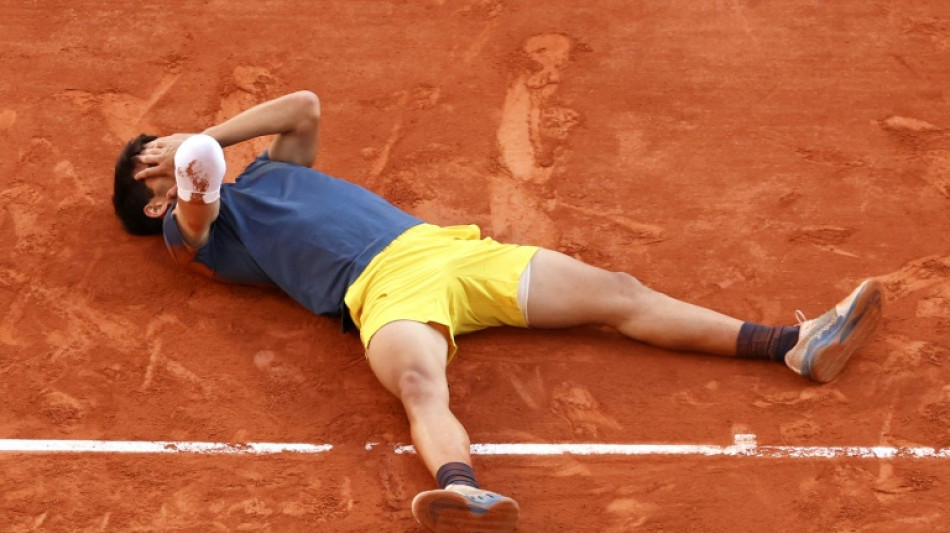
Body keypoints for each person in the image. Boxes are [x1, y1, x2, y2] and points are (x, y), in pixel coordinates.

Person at [113, 90, 884, 533]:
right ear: (155, 199)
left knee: (616, 291)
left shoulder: (274, 170)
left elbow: (305, 106)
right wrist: (186, 160)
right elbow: (198, 195)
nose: (165, 155)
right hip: (379, 290)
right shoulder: (195, 234)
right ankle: (464, 487)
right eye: (150, 163)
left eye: (160, 149)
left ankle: (793, 342)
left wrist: (200, 136)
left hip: (451, 252)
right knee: (421, 386)